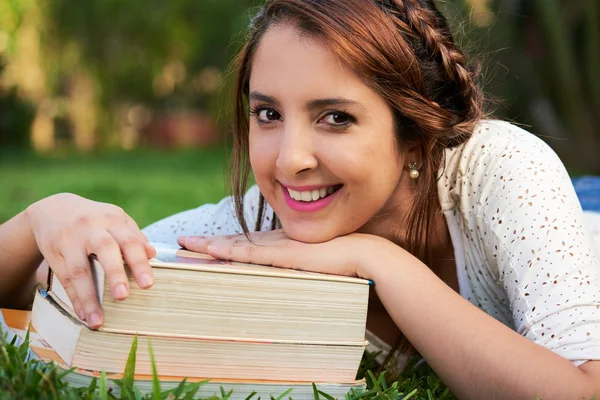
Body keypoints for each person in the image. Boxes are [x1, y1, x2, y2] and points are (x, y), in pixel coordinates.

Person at [1, 0, 600, 398]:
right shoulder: (258, 221)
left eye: (335, 117)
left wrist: (380, 261)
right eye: (267, 113)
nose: (289, 159)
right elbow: (56, 279)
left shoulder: (499, 171)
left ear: (416, 134)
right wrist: (40, 218)